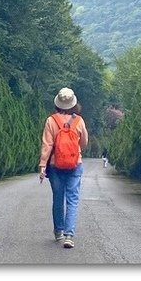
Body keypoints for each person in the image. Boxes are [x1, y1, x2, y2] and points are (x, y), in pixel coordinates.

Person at [39, 87, 89, 249]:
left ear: (58, 103)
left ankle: (58, 231)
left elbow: (47, 145)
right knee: (73, 199)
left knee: (58, 198)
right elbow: (84, 143)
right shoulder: (79, 121)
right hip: (75, 164)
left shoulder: (51, 121)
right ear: (74, 104)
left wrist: (42, 166)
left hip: (55, 165)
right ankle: (69, 235)